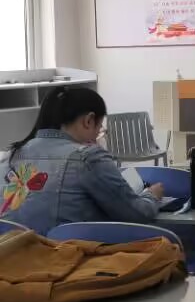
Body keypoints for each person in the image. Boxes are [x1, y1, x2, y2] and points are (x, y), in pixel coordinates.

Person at [1, 87, 163, 234]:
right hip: (61, 253)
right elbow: (137, 214)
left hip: (11, 253)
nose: (98, 135)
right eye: (100, 128)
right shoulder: (87, 157)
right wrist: (152, 195)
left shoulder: (10, 155)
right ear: (88, 121)